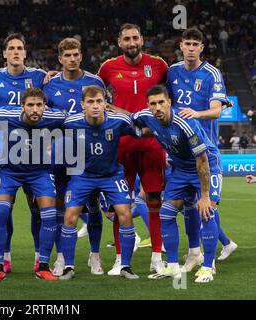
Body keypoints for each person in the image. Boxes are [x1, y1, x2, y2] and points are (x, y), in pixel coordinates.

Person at [97, 23, 168, 276]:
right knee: (120, 204)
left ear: (142, 40)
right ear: (119, 42)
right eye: (126, 39)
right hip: (121, 146)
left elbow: (171, 95)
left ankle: (157, 257)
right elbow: (93, 93)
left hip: (152, 145)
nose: (131, 43)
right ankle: (120, 258)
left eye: (135, 38)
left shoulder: (158, 65)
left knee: (155, 201)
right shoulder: (107, 68)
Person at [131, 85, 221, 283]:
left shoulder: (185, 123)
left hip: (207, 165)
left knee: (206, 212)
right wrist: (108, 108)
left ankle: (207, 267)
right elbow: (128, 118)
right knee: (166, 213)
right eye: (153, 104)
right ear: (148, 105)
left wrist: (205, 196)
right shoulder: (145, 115)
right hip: (181, 170)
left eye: (161, 102)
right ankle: (172, 267)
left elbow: (202, 160)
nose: (157, 108)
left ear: (169, 102)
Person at [167, 27, 237, 269]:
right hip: (179, 153)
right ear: (181, 45)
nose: (190, 48)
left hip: (204, 150)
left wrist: (197, 113)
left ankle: (209, 261)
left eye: (195, 44)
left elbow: (217, 110)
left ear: (201, 48)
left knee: (205, 206)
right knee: (185, 207)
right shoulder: (172, 71)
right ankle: (199, 251)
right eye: (187, 43)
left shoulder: (211, 73)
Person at [0, 33, 47, 273]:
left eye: (20, 48)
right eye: (11, 48)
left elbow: (51, 101)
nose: (16, 52)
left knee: (36, 205)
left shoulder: (38, 76)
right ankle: (4, 256)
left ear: (25, 53)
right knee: (2, 205)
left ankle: (40, 256)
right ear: (4, 53)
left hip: (33, 148)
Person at [59, 85, 141, 281]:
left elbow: (141, 126)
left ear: (105, 103)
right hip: (82, 176)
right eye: (90, 102)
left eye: (99, 102)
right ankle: (68, 266)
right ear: (82, 105)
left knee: (125, 214)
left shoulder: (119, 121)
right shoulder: (70, 122)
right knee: (70, 215)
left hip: (111, 176)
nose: (95, 106)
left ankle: (126, 266)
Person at [0, 88, 65, 282]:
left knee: (49, 215)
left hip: (40, 172)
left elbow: (79, 118)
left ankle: (43, 266)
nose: (35, 109)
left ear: (45, 106)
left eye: (39, 105)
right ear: (22, 106)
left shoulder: (55, 118)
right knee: (1, 212)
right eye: (30, 105)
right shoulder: (5, 114)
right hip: (9, 172)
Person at [43, 37, 107, 276]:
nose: (72, 59)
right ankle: (61, 257)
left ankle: (95, 256)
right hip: (60, 154)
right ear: (60, 59)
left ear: (81, 56)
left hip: (90, 155)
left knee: (93, 206)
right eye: (66, 55)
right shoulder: (49, 84)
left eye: (75, 54)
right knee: (61, 205)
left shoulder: (95, 81)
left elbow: (105, 114)